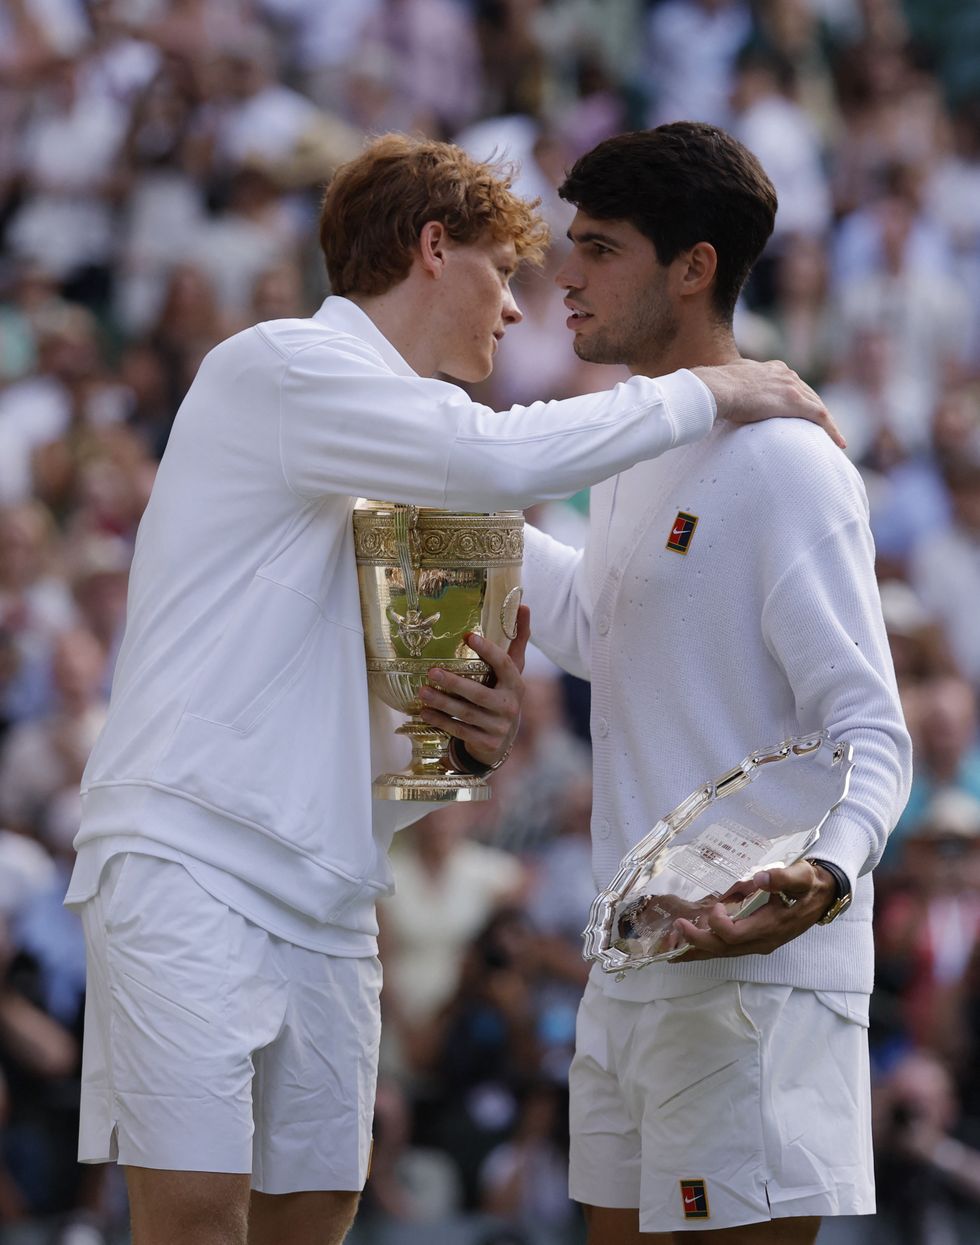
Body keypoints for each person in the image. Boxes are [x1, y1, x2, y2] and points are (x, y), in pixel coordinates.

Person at [65, 131, 840, 1245]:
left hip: (331, 891)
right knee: (193, 1220)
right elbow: (492, 457)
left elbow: (483, 683)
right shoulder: (280, 365)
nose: (520, 311)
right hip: (186, 857)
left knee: (311, 1219)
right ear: (433, 248)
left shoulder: (413, 468)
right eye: (501, 272)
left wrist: (460, 749)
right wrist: (713, 390)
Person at [521, 122, 913, 1243]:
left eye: (597, 248)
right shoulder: (635, 446)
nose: (564, 273)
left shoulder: (789, 463)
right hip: (632, 962)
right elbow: (604, 629)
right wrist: (456, 520)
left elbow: (867, 728)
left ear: (692, 267)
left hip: (754, 977)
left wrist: (825, 875)